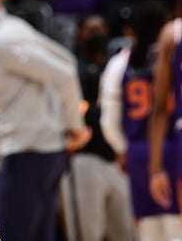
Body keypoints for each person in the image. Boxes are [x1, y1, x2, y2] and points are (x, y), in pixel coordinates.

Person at [0, 0, 91, 241]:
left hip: (29, 153)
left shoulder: (5, 40)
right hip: (41, 152)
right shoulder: (11, 30)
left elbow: (63, 72)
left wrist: (75, 125)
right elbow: (66, 60)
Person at [102, 0, 182, 240]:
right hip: (173, 147)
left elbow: (109, 120)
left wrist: (122, 149)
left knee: (148, 233)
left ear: (131, 29)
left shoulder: (119, 63)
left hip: (138, 154)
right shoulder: (172, 52)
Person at [62, 13, 135, 241]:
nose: (97, 34)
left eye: (101, 28)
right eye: (91, 30)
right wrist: (107, 113)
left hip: (118, 160)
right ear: (79, 35)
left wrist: (94, 111)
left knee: (127, 232)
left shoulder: (117, 66)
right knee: (88, 233)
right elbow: (76, 110)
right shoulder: (72, 67)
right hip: (85, 160)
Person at [148, 6, 182, 223]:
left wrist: (156, 169)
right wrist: (155, 168)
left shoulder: (173, 32)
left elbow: (160, 108)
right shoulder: (173, 34)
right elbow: (159, 107)